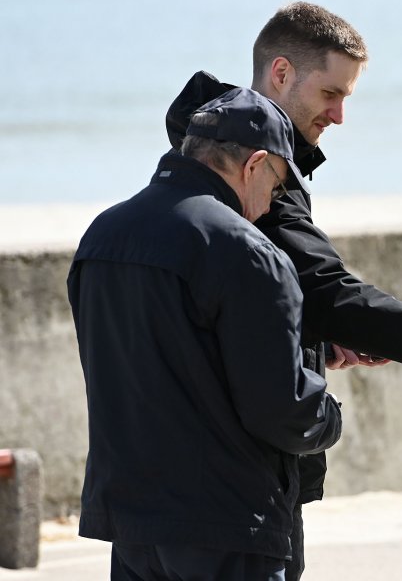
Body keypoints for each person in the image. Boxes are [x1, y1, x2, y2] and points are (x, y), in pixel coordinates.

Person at [164, 1, 402, 579]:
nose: (340, 115)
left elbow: (251, 304)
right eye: (330, 94)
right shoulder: (254, 178)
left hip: (172, 483)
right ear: (282, 74)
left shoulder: (188, 166)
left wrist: (311, 337)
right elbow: (326, 290)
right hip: (237, 485)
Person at [68, 88, 341, 580]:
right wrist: (328, 414)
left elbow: (165, 358)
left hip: (131, 522)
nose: (267, 207)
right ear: (254, 165)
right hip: (225, 525)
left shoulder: (101, 236)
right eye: (277, 187)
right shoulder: (246, 250)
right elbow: (281, 409)